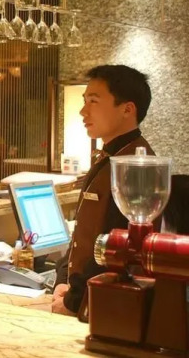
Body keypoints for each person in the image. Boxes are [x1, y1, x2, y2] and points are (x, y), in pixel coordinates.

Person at [53, 65, 153, 318]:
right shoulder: (109, 156)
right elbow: (85, 233)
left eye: (94, 101)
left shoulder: (135, 166)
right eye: (84, 100)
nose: (83, 111)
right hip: (84, 297)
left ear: (127, 109)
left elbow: (116, 249)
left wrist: (74, 301)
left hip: (105, 306)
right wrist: (64, 281)